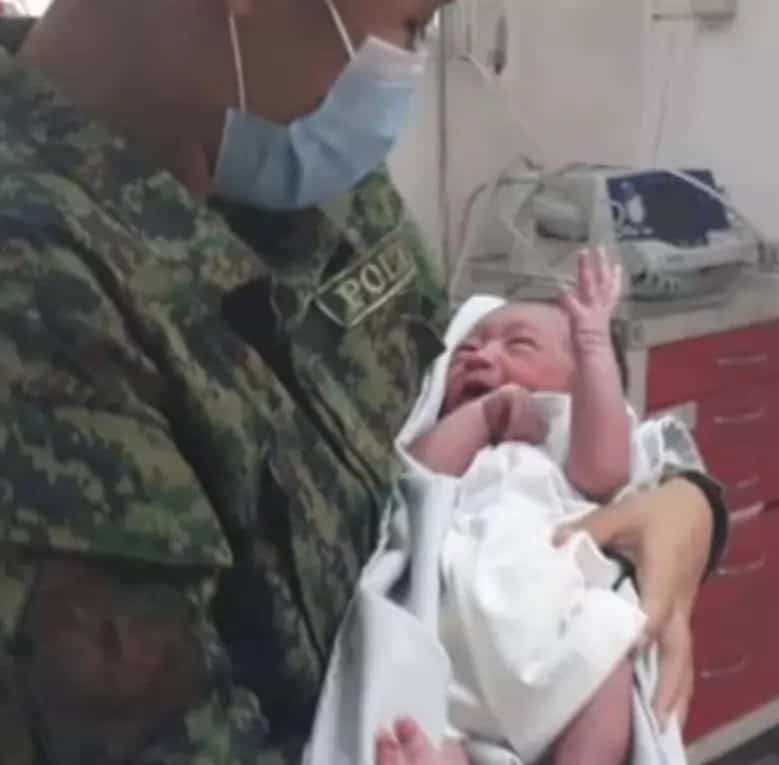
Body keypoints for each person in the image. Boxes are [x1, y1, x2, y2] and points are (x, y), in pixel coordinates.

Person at [0, 2, 726, 765]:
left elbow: (456, 381)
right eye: (413, 22)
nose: (409, 64)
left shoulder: (287, 155)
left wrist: (682, 499)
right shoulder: (40, 296)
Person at [408, 250, 687, 765]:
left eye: (518, 344)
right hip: (449, 639)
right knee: (414, 712)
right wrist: (484, 417)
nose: (482, 355)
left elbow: (604, 471)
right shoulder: (456, 435)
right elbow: (416, 481)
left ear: (575, 380)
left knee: (608, 663)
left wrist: (594, 343)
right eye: (466, 349)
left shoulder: (561, 432)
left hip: (551, 629)